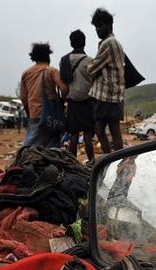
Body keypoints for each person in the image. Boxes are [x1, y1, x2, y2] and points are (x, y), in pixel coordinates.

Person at [87, 8, 125, 154]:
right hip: (111, 93)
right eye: (96, 27)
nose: (97, 29)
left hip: (108, 93)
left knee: (108, 129)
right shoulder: (111, 42)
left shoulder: (109, 43)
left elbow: (92, 68)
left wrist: (90, 66)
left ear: (109, 25)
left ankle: (113, 159)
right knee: (105, 128)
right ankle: (113, 158)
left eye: (100, 26)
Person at [20, 43, 69, 148]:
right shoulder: (51, 71)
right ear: (47, 56)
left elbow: (23, 98)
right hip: (50, 117)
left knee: (32, 147)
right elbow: (64, 89)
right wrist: (61, 101)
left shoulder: (26, 73)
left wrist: (29, 113)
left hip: (34, 114)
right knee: (51, 149)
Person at [60, 29, 95, 163]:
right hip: (87, 102)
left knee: (73, 134)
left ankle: (73, 163)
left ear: (71, 43)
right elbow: (93, 80)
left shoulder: (64, 60)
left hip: (73, 103)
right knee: (87, 135)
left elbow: (64, 81)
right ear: (84, 43)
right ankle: (92, 162)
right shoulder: (89, 61)